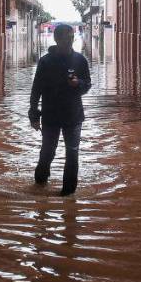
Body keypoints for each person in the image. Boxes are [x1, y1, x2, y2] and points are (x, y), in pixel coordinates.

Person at [29, 24, 91, 196]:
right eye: (65, 37)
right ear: (56, 39)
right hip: (51, 115)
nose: (69, 40)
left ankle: (68, 194)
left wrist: (78, 84)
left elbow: (87, 85)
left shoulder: (80, 60)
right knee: (48, 151)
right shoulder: (45, 61)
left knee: (72, 152)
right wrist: (33, 115)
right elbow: (36, 90)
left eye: (71, 37)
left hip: (73, 116)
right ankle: (40, 182)